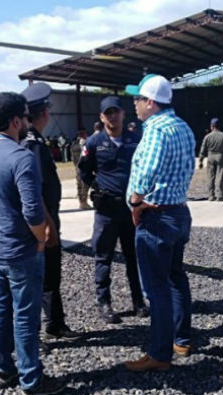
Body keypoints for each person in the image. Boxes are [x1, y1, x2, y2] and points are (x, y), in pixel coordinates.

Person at [0, 92, 65, 395]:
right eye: (25, 116)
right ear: (14, 121)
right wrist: (40, 240)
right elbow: (33, 210)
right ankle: (32, 381)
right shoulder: (21, 156)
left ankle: (4, 369)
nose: (28, 121)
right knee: (25, 315)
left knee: (1, 310)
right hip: (21, 252)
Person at [124, 74, 195, 371]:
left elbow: (147, 171)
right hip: (178, 211)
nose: (135, 105)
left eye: (138, 99)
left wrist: (136, 202)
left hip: (158, 217)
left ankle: (159, 354)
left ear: (150, 102)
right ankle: (181, 339)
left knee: (157, 288)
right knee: (176, 277)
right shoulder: (183, 127)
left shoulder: (155, 130)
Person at [77, 96, 148, 325]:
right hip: (106, 211)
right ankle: (104, 303)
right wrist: (98, 188)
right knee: (103, 258)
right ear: (101, 117)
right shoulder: (94, 143)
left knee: (133, 257)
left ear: (123, 114)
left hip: (130, 210)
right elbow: (84, 171)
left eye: (116, 111)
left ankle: (138, 301)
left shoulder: (136, 140)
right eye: (108, 113)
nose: (113, 116)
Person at [20, 83, 82, 341]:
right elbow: (35, 188)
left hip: (44, 217)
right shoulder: (33, 143)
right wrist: (48, 225)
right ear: (44, 112)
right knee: (44, 276)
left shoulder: (33, 140)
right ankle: (42, 330)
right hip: (43, 220)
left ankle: (54, 323)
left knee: (49, 274)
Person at [198, 118, 223, 201]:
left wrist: (201, 160)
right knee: (220, 176)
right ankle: (219, 195)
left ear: (212, 126)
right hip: (220, 156)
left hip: (211, 156)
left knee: (210, 176)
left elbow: (203, 149)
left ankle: (211, 195)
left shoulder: (207, 137)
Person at [70, 127, 92, 209]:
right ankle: (84, 202)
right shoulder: (84, 143)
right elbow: (86, 155)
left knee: (79, 185)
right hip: (84, 167)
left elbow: (72, 157)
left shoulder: (73, 144)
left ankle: (81, 202)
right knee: (84, 185)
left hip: (77, 166)